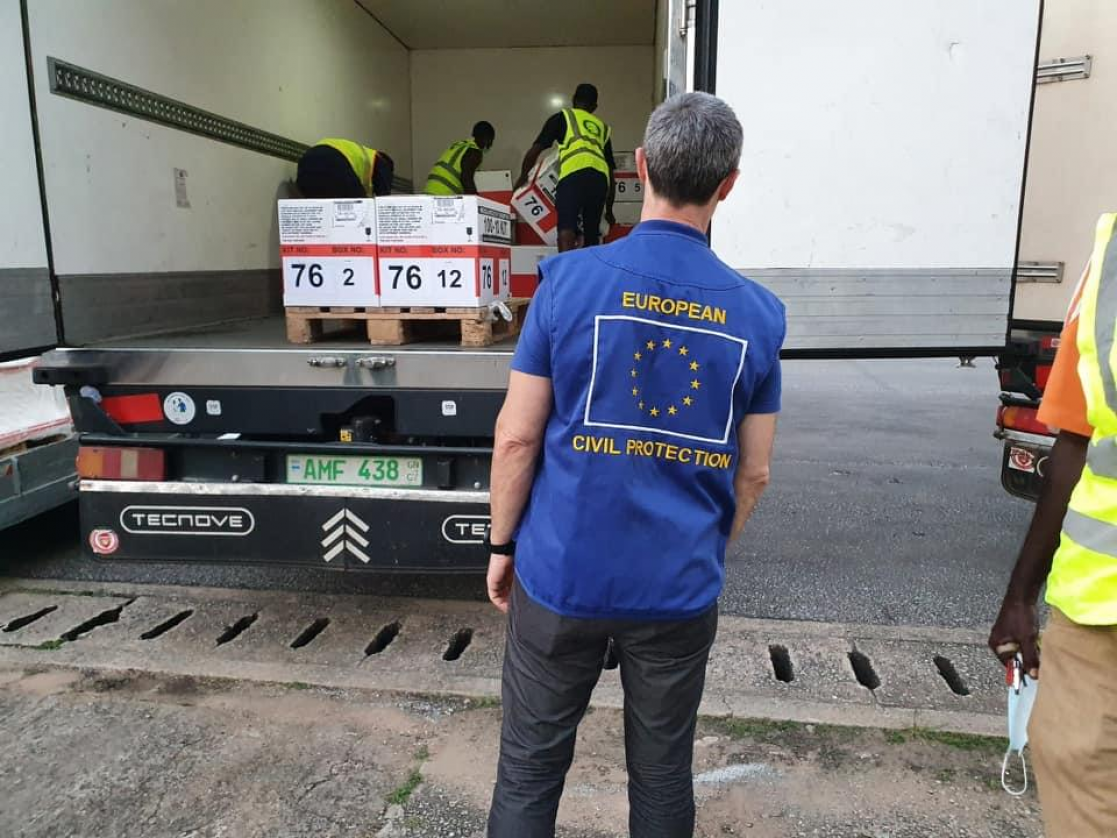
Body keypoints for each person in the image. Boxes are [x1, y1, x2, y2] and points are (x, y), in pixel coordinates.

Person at [485, 92, 786, 838]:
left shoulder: (567, 284)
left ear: (640, 167)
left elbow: (517, 440)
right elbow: (753, 474)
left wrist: (500, 545)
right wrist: (705, 548)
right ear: (728, 185)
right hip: (677, 590)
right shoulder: (759, 314)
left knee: (528, 769)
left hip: (559, 577)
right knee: (660, 775)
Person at [988, 213, 1117, 837]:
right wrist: (1020, 595)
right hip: (1098, 616)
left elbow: (1072, 439)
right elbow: (1075, 437)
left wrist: (1020, 596)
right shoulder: (1108, 260)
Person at [516, 83, 616, 252]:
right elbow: (612, 175)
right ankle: (588, 275)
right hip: (600, 180)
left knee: (566, 227)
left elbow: (535, 151)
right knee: (592, 232)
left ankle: (566, 275)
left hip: (574, 175)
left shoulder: (563, 117)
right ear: (595, 106)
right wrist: (609, 210)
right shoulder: (603, 128)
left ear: (573, 100)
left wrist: (522, 178)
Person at [295, 138, 394, 199]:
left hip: (305, 166)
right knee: (359, 207)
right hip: (333, 162)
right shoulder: (381, 161)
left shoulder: (357, 153)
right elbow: (384, 202)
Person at [424, 121, 496, 195]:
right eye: (491, 141)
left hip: (430, 191)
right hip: (443, 195)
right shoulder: (474, 152)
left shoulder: (459, 145)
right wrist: (476, 200)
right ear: (487, 138)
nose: (491, 145)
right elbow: (466, 179)